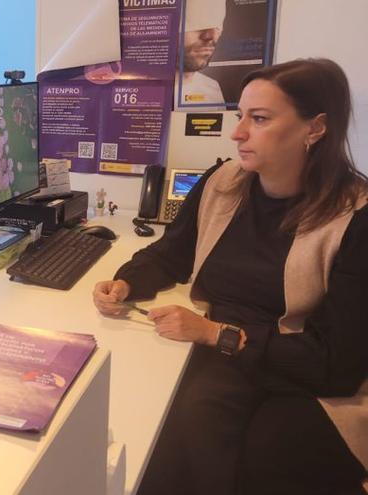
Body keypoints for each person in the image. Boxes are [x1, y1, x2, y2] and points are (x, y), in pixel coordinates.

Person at [94, 58, 368, 494]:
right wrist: (126, 282)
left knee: (253, 450)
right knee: (161, 418)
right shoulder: (222, 183)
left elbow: (335, 365)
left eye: (259, 119)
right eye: (240, 116)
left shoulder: (355, 217)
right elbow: (171, 253)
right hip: (230, 353)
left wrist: (214, 333)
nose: (237, 133)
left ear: (315, 129)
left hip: (308, 371)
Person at [176, 0, 226, 107]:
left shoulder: (213, 91)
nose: (211, 36)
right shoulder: (140, 89)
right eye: (195, 23)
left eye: (217, 26)